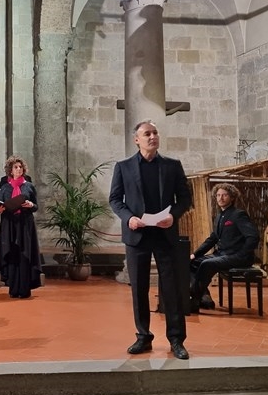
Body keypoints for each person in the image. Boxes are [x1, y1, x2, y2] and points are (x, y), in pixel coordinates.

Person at [109, 119, 192, 360]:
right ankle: (143, 336)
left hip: (165, 234)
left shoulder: (172, 166)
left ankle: (176, 339)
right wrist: (129, 218)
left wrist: (173, 216)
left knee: (172, 289)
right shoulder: (123, 167)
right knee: (139, 288)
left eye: (155, 133)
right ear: (137, 139)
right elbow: (115, 199)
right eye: (147, 134)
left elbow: (184, 199)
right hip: (138, 235)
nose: (152, 137)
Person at [190, 183, 259, 311]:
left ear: (232, 197)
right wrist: (195, 254)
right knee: (192, 262)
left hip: (237, 256)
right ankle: (204, 297)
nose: (220, 198)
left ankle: (193, 302)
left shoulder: (238, 215)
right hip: (222, 254)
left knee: (207, 264)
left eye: (224, 195)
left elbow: (253, 237)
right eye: (218, 195)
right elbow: (212, 239)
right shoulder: (219, 216)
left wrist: (241, 254)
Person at [0, 156, 41, 299]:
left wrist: (31, 205)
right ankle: (13, 289)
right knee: (12, 254)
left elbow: (36, 206)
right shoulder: (5, 187)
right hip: (9, 224)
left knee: (24, 254)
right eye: (16, 167)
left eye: (20, 167)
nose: (19, 169)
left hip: (25, 224)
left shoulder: (29, 186)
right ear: (10, 171)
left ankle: (24, 289)